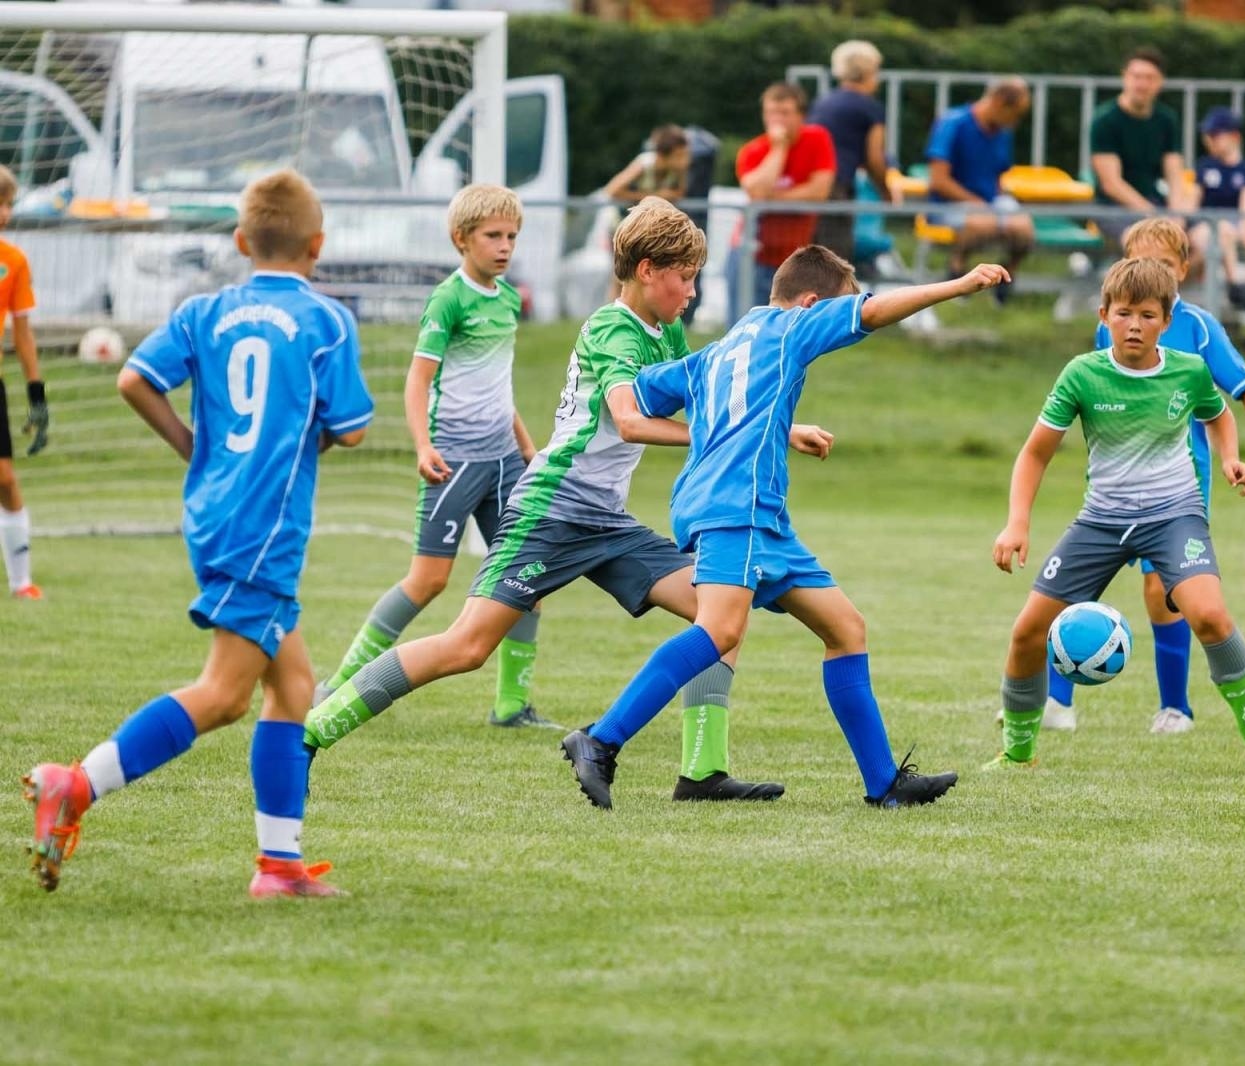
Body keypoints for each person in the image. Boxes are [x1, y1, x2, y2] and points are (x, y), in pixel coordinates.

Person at [304, 198, 828, 802]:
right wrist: (732, 433)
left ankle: (702, 773)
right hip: (551, 510)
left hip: (606, 520)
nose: (692, 292)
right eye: (685, 278)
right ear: (649, 270)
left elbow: (714, 404)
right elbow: (629, 422)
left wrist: (780, 428)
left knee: (719, 619)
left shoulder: (669, 330)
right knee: (467, 647)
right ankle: (314, 730)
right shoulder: (611, 328)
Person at [558, 246, 1010, 811]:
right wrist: (959, 284)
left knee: (846, 628)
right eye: (831, 314)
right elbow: (871, 312)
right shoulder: (792, 327)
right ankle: (599, 741)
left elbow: (643, 394)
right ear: (811, 304)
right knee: (719, 632)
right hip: (735, 508)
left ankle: (884, 784)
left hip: (760, 518)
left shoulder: (721, 350)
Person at [24, 170, 374, 897]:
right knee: (222, 696)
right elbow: (354, 428)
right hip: (263, 529)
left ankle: (279, 865)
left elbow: (132, 380)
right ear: (318, 245)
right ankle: (75, 783)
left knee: (295, 684)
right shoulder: (325, 320)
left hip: (213, 512)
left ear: (242, 242)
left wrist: (195, 446)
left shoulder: (203, 312)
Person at [988, 257, 1245, 774]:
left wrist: (1230, 458)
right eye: (1122, 314)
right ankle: (1016, 753)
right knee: (1029, 631)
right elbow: (1035, 454)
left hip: (1175, 516)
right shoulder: (1082, 374)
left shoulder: (1188, 370)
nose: (1133, 325)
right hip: (1101, 521)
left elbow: (1219, 414)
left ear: (1166, 320)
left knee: (1210, 615)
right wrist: (1017, 522)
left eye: (1145, 314)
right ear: (1103, 317)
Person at [315, 185, 547, 729]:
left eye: (512, 236)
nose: (504, 246)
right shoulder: (448, 299)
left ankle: (512, 706)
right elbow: (418, 381)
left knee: (526, 579)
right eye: (493, 236)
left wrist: (526, 444)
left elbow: (497, 384)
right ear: (461, 239)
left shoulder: (509, 299)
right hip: (453, 461)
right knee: (428, 580)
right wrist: (424, 445)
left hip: (504, 464)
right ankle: (339, 682)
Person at [924, 76, 1032, 304]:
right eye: (1016, 114)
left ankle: (1005, 277)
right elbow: (938, 181)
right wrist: (976, 202)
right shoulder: (953, 123)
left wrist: (1004, 200)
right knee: (981, 223)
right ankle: (956, 270)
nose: (1015, 122)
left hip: (990, 201)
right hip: (947, 204)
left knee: (1024, 228)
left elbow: (997, 177)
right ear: (1000, 102)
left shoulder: (1003, 132)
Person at [732, 83, 836, 316]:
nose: (777, 120)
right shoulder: (753, 150)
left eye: (785, 113)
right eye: (771, 113)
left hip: (795, 259)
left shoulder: (818, 139)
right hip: (752, 253)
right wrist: (779, 148)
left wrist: (771, 198)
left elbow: (819, 192)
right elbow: (757, 192)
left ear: (801, 116)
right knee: (742, 326)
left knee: (787, 330)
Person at [0, 163, 48, 599]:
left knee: (5, 478)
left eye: (9, 203)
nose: (6, 212)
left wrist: (36, 392)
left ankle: (21, 582)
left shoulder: (13, 261)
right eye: (2, 203)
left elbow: (23, 331)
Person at [809, 39, 895, 264]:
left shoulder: (823, 102)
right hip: (836, 188)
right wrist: (885, 191)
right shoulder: (870, 108)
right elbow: (875, 158)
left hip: (811, 185)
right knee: (834, 262)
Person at [1089, 48, 1184, 239]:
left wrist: (1178, 214)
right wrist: (1157, 217)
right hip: (1112, 209)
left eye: (1150, 78)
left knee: (1203, 241)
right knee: (1144, 243)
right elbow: (1112, 184)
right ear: (1125, 77)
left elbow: (1174, 174)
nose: (1142, 84)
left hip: (1156, 202)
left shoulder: (1167, 120)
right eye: (1137, 76)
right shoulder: (1105, 120)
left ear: (1160, 82)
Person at [1190, 107, 1245, 313]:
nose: (1209, 140)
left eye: (1215, 135)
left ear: (1234, 137)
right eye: (1208, 135)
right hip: (1208, 223)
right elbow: (1195, 200)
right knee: (1223, 230)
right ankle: (1234, 285)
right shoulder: (1205, 165)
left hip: (1235, 220)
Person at [603, 125, 692, 204]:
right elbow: (612, 190)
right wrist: (655, 196)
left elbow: (679, 194)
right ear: (661, 154)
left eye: (686, 154)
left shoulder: (678, 169)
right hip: (617, 214)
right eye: (679, 155)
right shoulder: (644, 163)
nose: (686, 160)